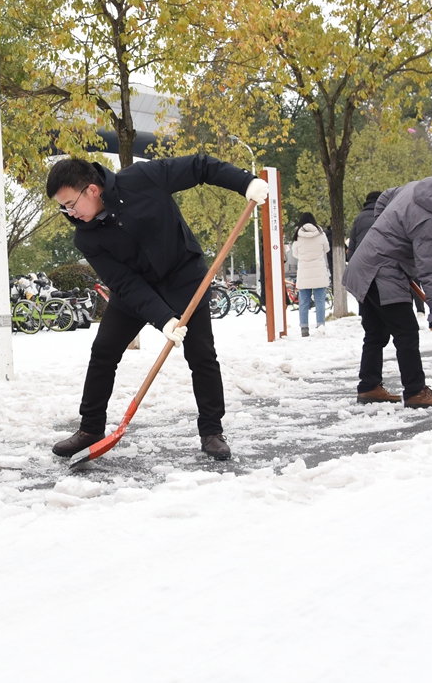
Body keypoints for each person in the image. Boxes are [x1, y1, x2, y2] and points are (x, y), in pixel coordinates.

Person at [45, 155, 270, 461]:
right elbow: (123, 281)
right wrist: (164, 319)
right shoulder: (86, 236)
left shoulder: (143, 177)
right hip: (136, 291)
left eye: (70, 203)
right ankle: (91, 428)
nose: (69, 212)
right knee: (103, 352)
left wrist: (246, 182)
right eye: (64, 207)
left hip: (184, 278)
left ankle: (211, 431)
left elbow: (200, 167)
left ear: (92, 190)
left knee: (201, 354)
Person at [342, 170, 432, 408]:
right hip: (382, 271)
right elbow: (429, 269)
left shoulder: (419, 187)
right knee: (406, 331)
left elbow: (385, 197)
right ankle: (415, 391)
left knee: (376, 333)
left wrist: (385, 232)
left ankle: (369, 386)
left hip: (366, 264)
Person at [291, 213, 330, 335]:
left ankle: (304, 328)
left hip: (304, 272)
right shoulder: (321, 234)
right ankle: (320, 326)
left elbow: (295, 253)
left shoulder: (298, 235)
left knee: (303, 302)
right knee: (320, 301)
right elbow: (327, 249)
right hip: (319, 271)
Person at [345, 191, 383, 263]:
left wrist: (350, 259)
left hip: (361, 258)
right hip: (380, 258)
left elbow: (353, 241)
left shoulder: (359, 217)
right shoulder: (385, 216)